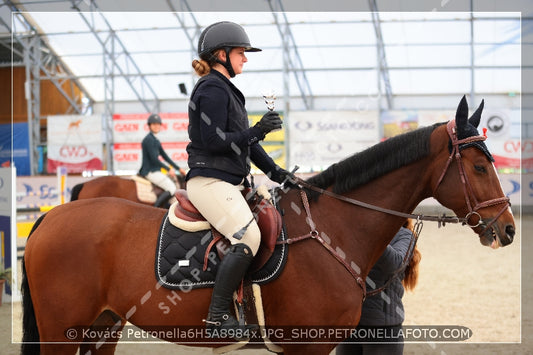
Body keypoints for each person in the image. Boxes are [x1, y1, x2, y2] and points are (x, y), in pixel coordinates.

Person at [185, 21, 293, 332]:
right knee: (248, 236)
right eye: (241, 52)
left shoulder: (227, 90)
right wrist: (258, 129)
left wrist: (277, 173)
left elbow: (244, 146)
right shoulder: (211, 89)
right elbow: (213, 140)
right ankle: (217, 316)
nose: (245, 58)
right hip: (209, 182)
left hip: (228, 180)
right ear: (221, 54)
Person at [336, 220, 421, 355]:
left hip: (384, 331)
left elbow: (395, 264)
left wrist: (372, 236)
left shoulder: (404, 235)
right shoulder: (356, 233)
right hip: (351, 327)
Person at [139, 113, 186, 207]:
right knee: (172, 188)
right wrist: (169, 169)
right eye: (154, 124)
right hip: (149, 171)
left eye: (158, 124)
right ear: (149, 126)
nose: (156, 126)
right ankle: (155, 209)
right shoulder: (148, 140)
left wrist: (178, 168)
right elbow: (154, 160)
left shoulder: (155, 140)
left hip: (156, 170)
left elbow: (165, 157)